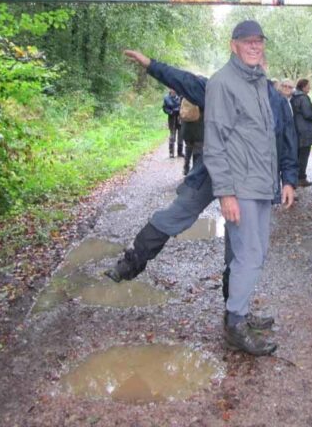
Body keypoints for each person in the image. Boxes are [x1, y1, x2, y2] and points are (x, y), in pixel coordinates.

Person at [105, 49, 297, 303]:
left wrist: (289, 180)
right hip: (212, 173)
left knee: (239, 244)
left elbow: (287, 143)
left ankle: (234, 309)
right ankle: (131, 262)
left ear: (265, 67)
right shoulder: (222, 90)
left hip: (249, 183)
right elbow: (186, 81)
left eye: (259, 62)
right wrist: (151, 65)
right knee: (176, 213)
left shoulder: (278, 103)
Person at [204, 19, 294, 356]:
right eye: (247, 41)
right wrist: (225, 193)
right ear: (234, 45)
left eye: (259, 41)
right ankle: (236, 324)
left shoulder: (257, 81)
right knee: (248, 255)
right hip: (240, 187)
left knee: (256, 252)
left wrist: (283, 180)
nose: (255, 46)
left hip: (261, 185)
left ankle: (239, 310)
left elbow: (268, 137)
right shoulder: (222, 83)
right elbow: (215, 143)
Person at [290, 78, 312, 187]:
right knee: (303, 155)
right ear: (303, 87)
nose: (309, 87)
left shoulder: (293, 97)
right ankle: (301, 178)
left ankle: (294, 177)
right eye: (308, 86)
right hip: (305, 131)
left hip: (296, 129)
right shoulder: (303, 98)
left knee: (297, 155)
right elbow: (308, 114)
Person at [180, 100, 203, 176]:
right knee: (198, 150)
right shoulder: (199, 97)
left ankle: (186, 168)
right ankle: (195, 171)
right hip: (198, 128)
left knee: (188, 148)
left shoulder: (185, 97)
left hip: (186, 128)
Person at [162, 89, 183, 158]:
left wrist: (180, 111)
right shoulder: (166, 98)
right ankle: (171, 152)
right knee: (172, 136)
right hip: (172, 118)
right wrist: (171, 112)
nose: (173, 91)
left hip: (180, 118)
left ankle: (180, 152)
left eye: (174, 89)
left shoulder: (180, 96)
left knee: (181, 135)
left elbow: (183, 106)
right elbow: (165, 108)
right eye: (172, 89)